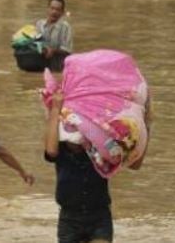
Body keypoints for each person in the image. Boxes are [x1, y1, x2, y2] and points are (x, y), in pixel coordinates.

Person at [44, 91, 149, 243]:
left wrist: (144, 126)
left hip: (99, 217)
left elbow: (134, 164)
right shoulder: (59, 148)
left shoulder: (102, 147)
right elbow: (50, 151)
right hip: (69, 219)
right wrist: (55, 109)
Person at [36, 0, 73, 72]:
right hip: (41, 67)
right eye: (52, 8)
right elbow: (36, 42)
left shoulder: (65, 27)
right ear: (47, 9)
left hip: (58, 68)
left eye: (57, 10)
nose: (54, 12)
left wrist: (53, 51)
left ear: (62, 12)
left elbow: (67, 49)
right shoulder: (39, 24)